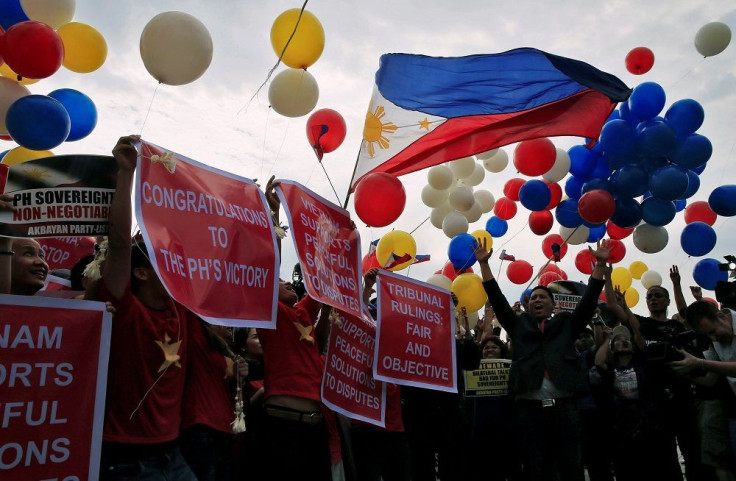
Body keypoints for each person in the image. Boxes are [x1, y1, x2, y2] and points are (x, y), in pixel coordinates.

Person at [98, 135, 197, 480]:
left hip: (174, 455)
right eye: (163, 260)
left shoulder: (181, 313)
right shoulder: (123, 309)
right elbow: (121, 244)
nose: (176, 265)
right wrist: (127, 173)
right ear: (140, 272)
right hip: (125, 460)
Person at [474, 238, 610, 481]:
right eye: (533, 298)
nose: (537, 300)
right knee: (536, 469)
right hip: (529, 412)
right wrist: (484, 265)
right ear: (528, 305)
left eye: (543, 297)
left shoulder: (567, 324)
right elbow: (496, 298)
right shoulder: (518, 325)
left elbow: (589, 302)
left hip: (565, 410)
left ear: (552, 304)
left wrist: (599, 265)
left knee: (571, 468)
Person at [258, 176, 334, 480]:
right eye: (281, 282)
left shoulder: (302, 313)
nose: (288, 282)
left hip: (316, 429)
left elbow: (321, 277)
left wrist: (337, 239)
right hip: (282, 426)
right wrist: (273, 214)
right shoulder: (269, 313)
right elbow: (269, 264)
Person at [606, 266, 704, 480]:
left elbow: (687, 315)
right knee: (665, 458)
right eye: (649, 296)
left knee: (693, 452)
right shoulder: (642, 324)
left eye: (658, 296)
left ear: (667, 301)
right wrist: (606, 274)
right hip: (656, 402)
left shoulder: (677, 327)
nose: (653, 299)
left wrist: (677, 285)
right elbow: (613, 305)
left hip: (684, 397)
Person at [674, 301, 736, 481]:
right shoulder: (710, 339)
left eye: (713, 332)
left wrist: (699, 362)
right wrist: (683, 371)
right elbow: (710, 379)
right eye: (708, 336)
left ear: (721, 316)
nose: (714, 339)